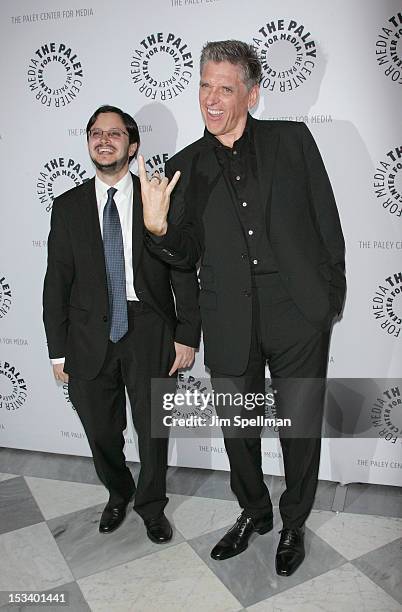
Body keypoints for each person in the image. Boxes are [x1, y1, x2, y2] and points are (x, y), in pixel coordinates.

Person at [139, 41, 346, 576]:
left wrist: (329, 298)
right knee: (239, 427)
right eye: (204, 85)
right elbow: (183, 255)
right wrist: (158, 229)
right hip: (228, 314)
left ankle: (294, 521)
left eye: (224, 88)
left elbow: (327, 220)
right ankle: (254, 513)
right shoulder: (185, 165)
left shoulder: (293, 140)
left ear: (251, 93)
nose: (210, 98)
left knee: (299, 426)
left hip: (297, 310)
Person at [43, 105, 200, 541]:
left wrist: (187, 333)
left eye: (114, 133)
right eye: (96, 132)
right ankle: (118, 492)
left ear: (132, 146)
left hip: (148, 325)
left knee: (153, 428)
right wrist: (57, 351)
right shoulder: (68, 206)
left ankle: (152, 505)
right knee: (99, 428)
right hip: (87, 333)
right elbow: (56, 283)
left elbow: (183, 269)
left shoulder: (157, 195)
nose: (104, 139)